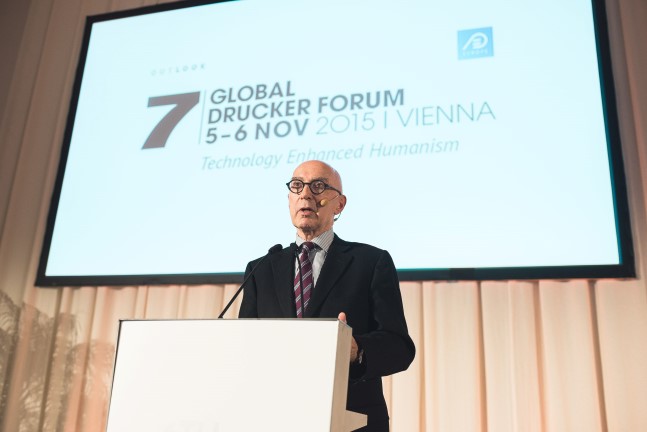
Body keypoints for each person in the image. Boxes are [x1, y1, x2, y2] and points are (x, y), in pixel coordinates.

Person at [238, 160, 415, 431]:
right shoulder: (260, 269)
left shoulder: (370, 262)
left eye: (318, 186)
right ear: (289, 200)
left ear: (339, 204)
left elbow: (399, 347)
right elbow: (245, 348)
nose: (305, 194)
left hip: (350, 418)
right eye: (297, 186)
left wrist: (355, 349)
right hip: (277, 417)